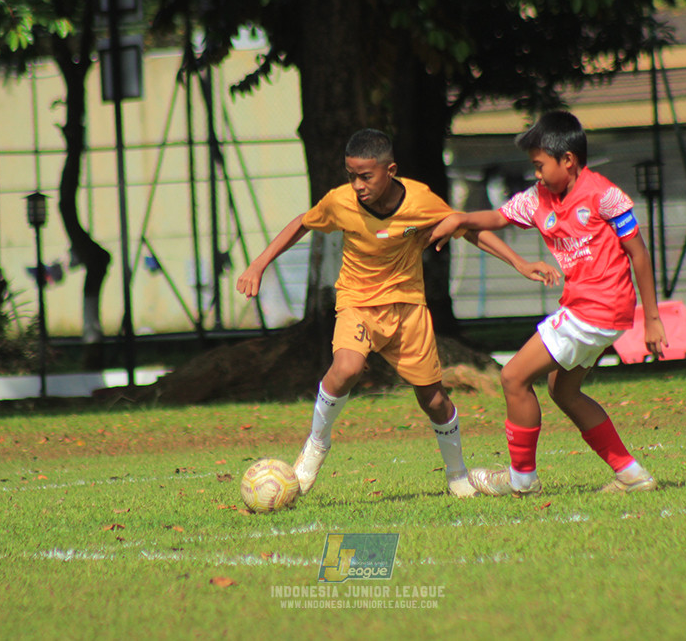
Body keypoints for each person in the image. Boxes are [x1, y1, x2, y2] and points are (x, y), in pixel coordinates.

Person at [236, 128, 560, 499]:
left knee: (434, 400)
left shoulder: (420, 200)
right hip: (357, 303)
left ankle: (457, 475)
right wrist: (259, 264)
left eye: (365, 176)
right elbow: (301, 223)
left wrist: (519, 263)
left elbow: (467, 228)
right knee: (347, 368)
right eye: (351, 175)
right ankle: (315, 446)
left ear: (390, 170)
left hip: (408, 309)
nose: (357, 185)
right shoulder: (339, 202)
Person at [429, 111, 667, 495]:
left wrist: (652, 318)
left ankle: (522, 480)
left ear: (568, 160)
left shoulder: (604, 195)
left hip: (597, 309)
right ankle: (632, 475)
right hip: (593, 312)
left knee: (513, 377)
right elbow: (496, 217)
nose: (536, 174)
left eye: (540, 165)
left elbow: (638, 253)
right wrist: (459, 219)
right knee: (564, 391)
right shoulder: (538, 199)